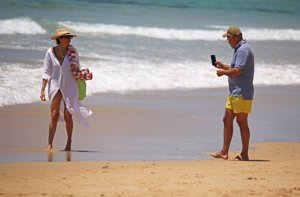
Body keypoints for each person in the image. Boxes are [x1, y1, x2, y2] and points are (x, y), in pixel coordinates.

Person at [40, 27, 92, 151]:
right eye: (66, 37)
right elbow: (46, 72)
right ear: (59, 39)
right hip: (54, 85)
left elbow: (77, 69)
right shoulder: (50, 52)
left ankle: (69, 142)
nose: (69, 39)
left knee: (69, 115)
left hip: (70, 85)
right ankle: (49, 144)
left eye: (70, 37)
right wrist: (42, 90)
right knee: (54, 114)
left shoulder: (73, 52)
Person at [210, 26, 254, 161]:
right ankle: (224, 152)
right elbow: (235, 67)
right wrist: (223, 66)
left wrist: (223, 73)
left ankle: (245, 154)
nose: (227, 41)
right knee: (226, 119)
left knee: (242, 122)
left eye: (228, 38)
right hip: (234, 92)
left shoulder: (243, 50)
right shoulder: (240, 49)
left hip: (241, 93)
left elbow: (238, 71)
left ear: (235, 38)